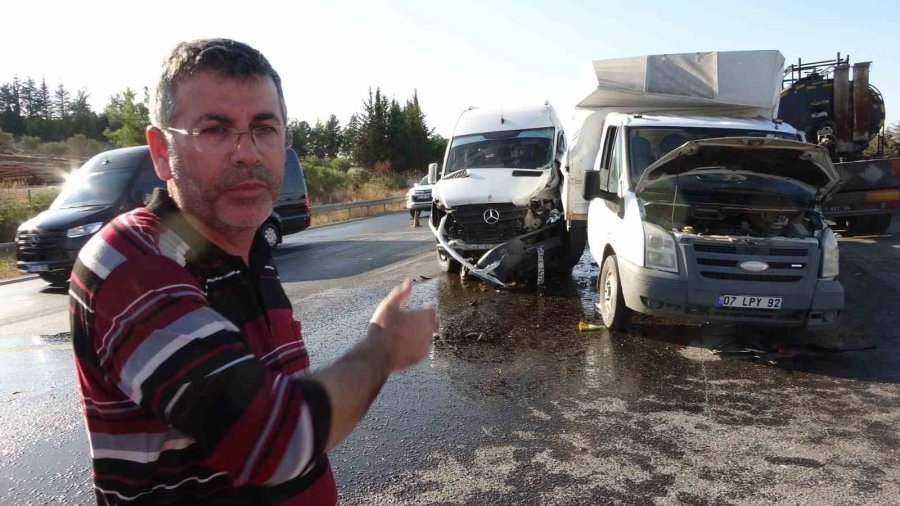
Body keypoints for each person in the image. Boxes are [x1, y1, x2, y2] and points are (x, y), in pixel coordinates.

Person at [69, 38, 437, 505]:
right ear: (161, 152)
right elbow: (271, 440)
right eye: (215, 129)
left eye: (264, 128)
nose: (247, 153)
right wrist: (382, 349)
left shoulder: (250, 249)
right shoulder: (133, 263)